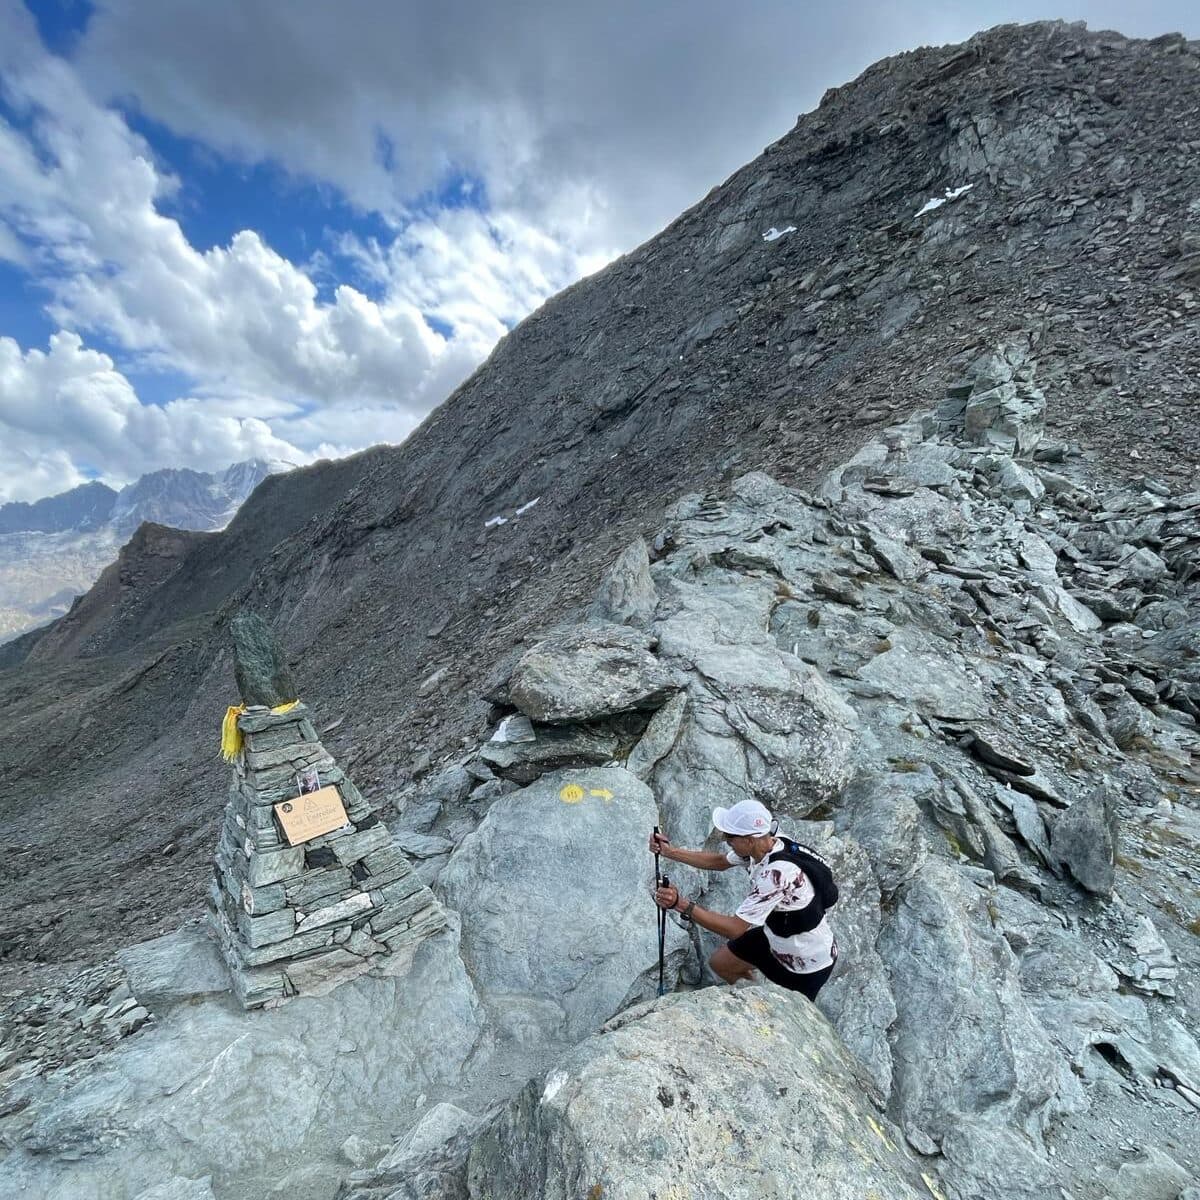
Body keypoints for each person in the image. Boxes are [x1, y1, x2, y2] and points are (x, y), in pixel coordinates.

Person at [650, 798, 838, 1001]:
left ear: (749, 840)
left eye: (730, 836)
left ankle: (756, 1003)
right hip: (775, 937)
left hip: (805, 964)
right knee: (721, 963)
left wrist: (681, 904)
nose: (725, 839)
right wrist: (670, 852)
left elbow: (734, 928)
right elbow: (720, 862)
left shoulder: (776, 875)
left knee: (779, 1016)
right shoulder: (768, 843)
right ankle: (753, 994)